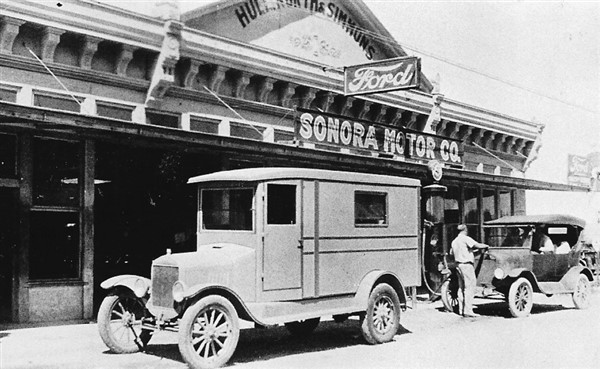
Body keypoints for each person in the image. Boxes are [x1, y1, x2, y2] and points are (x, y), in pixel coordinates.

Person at [451, 224, 489, 318]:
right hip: (467, 265)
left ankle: (461, 309)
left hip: (458, 265)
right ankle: (468, 310)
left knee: (461, 287)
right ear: (465, 230)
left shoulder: (454, 241)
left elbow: (452, 252)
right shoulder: (465, 238)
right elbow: (477, 245)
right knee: (470, 287)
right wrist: (486, 245)